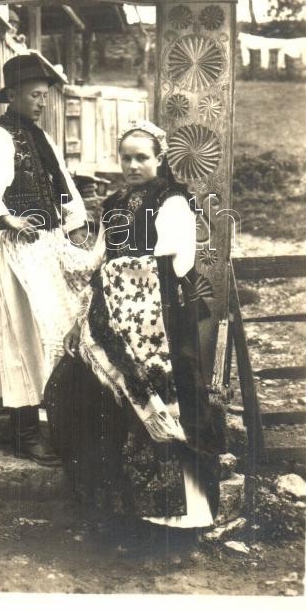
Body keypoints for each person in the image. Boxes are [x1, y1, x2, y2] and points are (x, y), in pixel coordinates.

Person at [45, 121, 224, 534]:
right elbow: (100, 261)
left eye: (142, 157)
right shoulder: (114, 203)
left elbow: (176, 262)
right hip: (113, 315)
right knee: (87, 391)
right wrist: (81, 315)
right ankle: (119, 507)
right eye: (126, 158)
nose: (132, 165)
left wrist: (123, 280)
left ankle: (181, 513)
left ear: (159, 159)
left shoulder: (171, 200)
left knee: (166, 395)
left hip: (161, 316)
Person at [0, 51, 89, 466]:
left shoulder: (41, 139)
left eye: (45, 96)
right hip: (13, 250)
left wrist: (74, 226)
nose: (41, 103)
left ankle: (61, 424)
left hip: (46, 247)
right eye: (33, 95)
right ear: (11, 95)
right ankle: (25, 434)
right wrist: (7, 218)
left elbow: (63, 187)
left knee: (61, 331)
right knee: (20, 336)